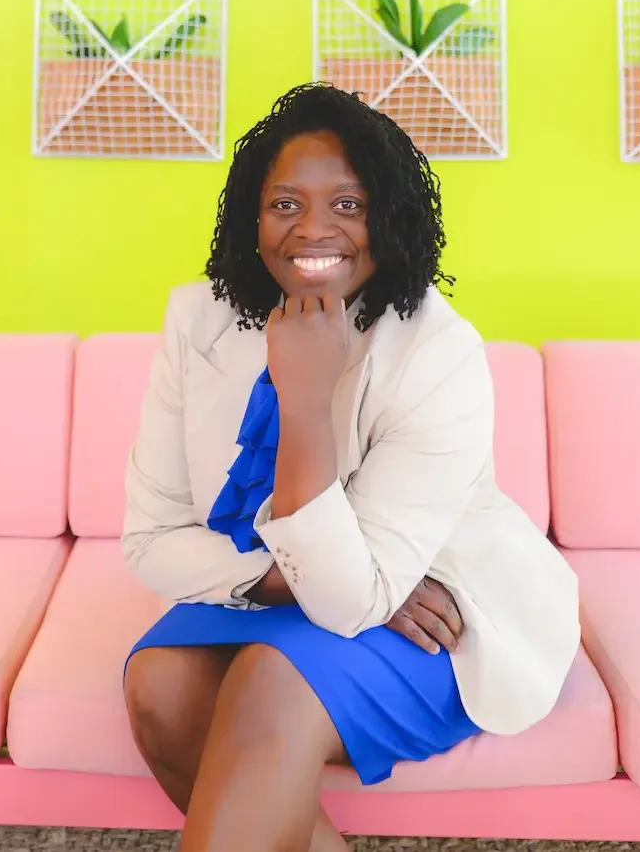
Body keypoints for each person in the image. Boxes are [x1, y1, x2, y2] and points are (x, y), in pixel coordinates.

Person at [123, 83, 580, 851]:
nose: (314, 229)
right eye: (285, 204)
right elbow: (150, 540)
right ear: (253, 216)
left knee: (273, 685)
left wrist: (303, 400)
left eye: (348, 205)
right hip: (303, 585)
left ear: (386, 216)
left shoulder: (439, 352)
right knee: (158, 688)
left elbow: (346, 603)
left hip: (441, 613)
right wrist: (309, 580)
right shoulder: (195, 318)